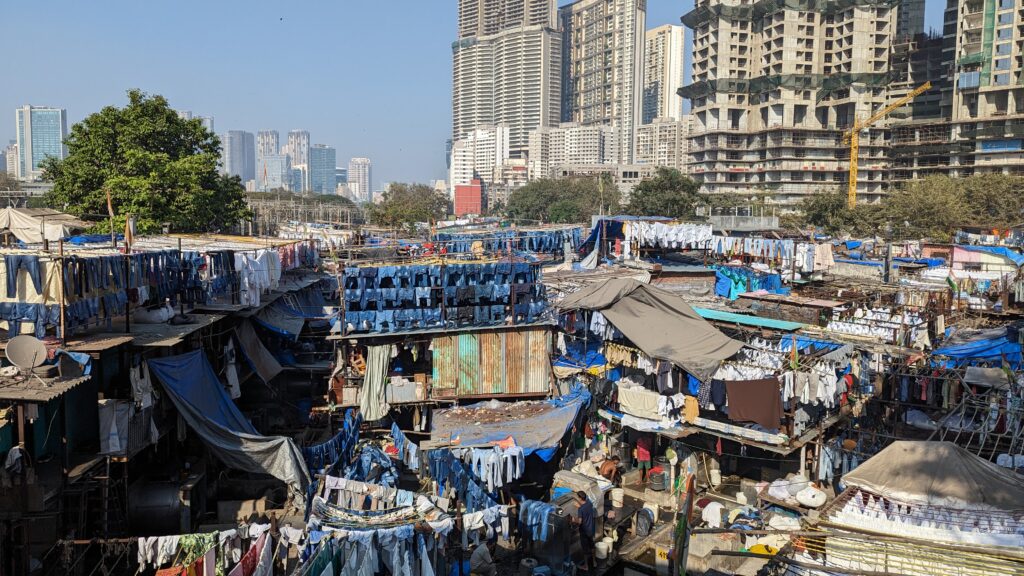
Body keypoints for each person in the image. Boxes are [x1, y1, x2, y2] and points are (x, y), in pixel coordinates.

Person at [574, 491, 596, 572]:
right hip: (591, 529)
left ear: (580, 498)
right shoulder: (589, 504)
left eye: (577, 497)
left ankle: (586, 566)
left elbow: (579, 522)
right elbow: (586, 509)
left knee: (585, 549)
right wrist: (579, 506)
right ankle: (594, 561)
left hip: (584, 531)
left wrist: (573, 519)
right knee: (592, 545)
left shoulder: (581, 509)